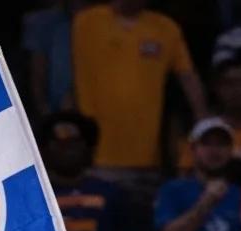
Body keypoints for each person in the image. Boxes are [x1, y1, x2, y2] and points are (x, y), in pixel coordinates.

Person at [71, 0, 205, 214]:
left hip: (147, 161)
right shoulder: (85, 22)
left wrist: (203, 124)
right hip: (96, 159)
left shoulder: (166, 28)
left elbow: (188, 77)